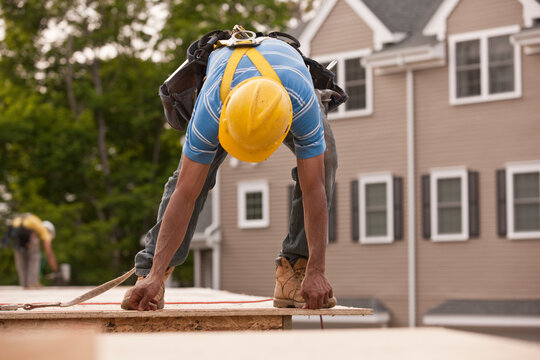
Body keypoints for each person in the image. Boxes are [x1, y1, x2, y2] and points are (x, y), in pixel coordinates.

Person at [122, 29, 340, 311]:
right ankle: (153, 273)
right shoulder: (211, 111)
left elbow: (314, 189)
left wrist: (317, 270)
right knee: (186, 180)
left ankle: (295, 269)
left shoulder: (301, 105)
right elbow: (186, 194)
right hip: (229, 82)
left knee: (326, 161)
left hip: (286, 85)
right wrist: (153, 273)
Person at [7, 213, 58, 288]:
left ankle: (24, 284)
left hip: (15, 232)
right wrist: (56, 269)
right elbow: (49, 253)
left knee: (20, 259)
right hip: (24, 231)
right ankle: (32, 283)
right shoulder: (44, 230)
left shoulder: (34, 223)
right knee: (35, 256)